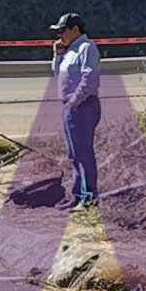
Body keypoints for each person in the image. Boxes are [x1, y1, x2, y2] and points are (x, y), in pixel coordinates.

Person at [51, 12, 103, 207]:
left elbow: (89, 79)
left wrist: (74, 101)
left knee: (83, 153)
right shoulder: (70, 50)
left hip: (82, 107)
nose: (59, 36)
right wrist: (57, 55)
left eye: (62, 31)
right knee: (74, 154)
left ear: (75, 29)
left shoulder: (86, 48)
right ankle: (78, 195)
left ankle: (89, 197)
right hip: (70, 107)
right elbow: (58, 75)